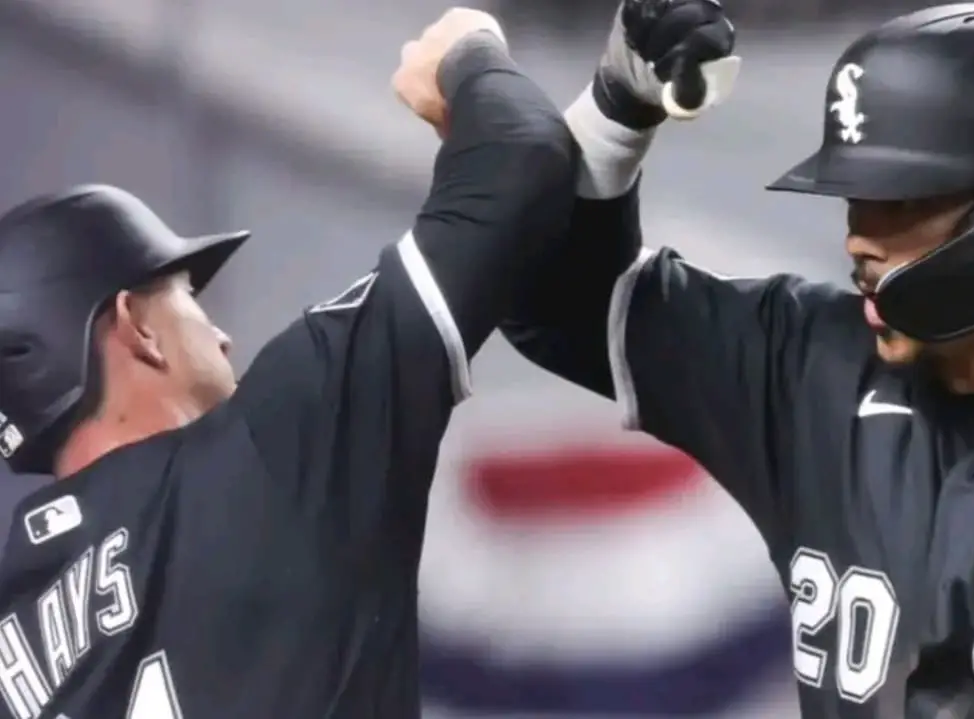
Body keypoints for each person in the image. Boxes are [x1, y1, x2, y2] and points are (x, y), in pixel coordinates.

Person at [503, 1, 974, 717]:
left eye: (902, 202)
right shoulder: (805, 364)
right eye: (855, 197)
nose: (859, 239)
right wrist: (614, 112)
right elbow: (548, 300)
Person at [0, 8, 577, 718]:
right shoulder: (272, 442)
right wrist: (469, 52)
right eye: (186, 297)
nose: (221, 337)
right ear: (136, 327)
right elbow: (522, 160)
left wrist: (617, 102)